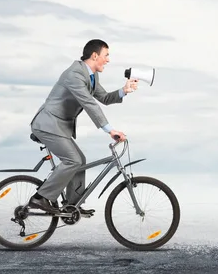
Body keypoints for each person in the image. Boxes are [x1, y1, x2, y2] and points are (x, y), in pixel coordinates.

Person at [27, 39, 138, 215]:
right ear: (95, 55)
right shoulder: (74, 74)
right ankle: (40, 198)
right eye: (106, 55)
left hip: (59, 127)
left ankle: (72, 205)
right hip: (47, 125)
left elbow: (105, 98)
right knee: (73, 160)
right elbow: (88, 103)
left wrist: (123, 90)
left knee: (80, 161)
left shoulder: (91, 76)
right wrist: (110, 130)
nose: (108, 60)